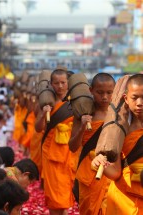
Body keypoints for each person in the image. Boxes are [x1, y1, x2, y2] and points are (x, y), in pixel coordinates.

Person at [92, 74, 143, 214]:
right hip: (123, 200)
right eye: (135, 97)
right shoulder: (118, 130)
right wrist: (97, 163)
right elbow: (115, 172)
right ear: (126, 99)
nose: (139, 103)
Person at [68, 73, 115, 215]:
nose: (105, 97)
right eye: (100, 92)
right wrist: (82, 126)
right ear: (91, 90)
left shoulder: (119, 114)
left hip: (112, 172)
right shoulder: (84, 113)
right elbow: (72, 146)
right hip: (89, 173)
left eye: (109, 92)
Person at [36, 68, 74, 215]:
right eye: (56, 83)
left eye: (63, 82)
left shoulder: (75, 101)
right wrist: (44, 113)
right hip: (51, 154)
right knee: (54, 194)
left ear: (68, 83)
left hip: (69, 152)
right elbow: (39, 128)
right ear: (51, 84)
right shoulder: (48, 102)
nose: (60, 86)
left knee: (65, 191)